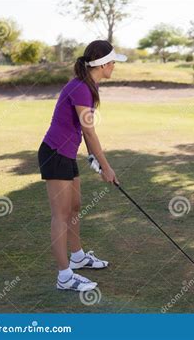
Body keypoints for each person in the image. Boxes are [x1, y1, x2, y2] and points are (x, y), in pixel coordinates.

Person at [37, 40, 127, 292]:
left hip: (65, 154)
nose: (114, 67)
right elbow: (89, 131)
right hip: (54, 154)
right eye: (113, 62)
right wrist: (106, 167)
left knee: (75, 206)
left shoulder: (87, 85)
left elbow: (79, 128)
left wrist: (92, 158)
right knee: (61, 215)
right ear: (103, 64)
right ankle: (64, 276)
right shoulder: (81, 88)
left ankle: (77, 257)